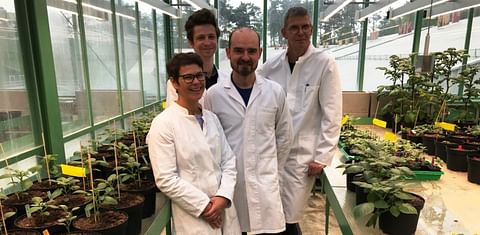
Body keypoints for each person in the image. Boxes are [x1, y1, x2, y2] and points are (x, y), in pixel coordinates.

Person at [257, 6, 342, 235]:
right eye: (294, 28)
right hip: (272, 153)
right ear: (284, 32)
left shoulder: (325, 63)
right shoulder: (270, 67)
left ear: (311, 29)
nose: (300, 32)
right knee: (270, 211)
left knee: (290, 214)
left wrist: (323, 155)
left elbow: (332, 112)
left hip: (304, 157)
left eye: (305, 27)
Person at [204, 27, 293, 235]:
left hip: (266, 188)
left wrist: (270, 170)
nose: (245, 57)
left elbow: (285, 137)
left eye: (251, 51)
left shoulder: (275, 92)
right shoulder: (214, 95)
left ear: (260, 53)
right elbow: (209, 143)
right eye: (239, 50)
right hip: (229, 190)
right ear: (228, 53)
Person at [148, 53, 241, 234]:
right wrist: (206, 207)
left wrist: (223, 197)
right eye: (188, 77)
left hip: (224, 210)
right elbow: (165, 178)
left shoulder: (211, 118)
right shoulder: (163, 124)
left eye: (200, 75)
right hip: (194, 216)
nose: (197, 82)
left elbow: (229, 161)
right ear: (174, 82)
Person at [166, 8, 224, 106]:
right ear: (191, 43)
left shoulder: (226, 80)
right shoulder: (177, 83)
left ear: (217, 40)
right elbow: (176, 116)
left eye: (211, 37)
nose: (207, 42)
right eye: (201, 38)